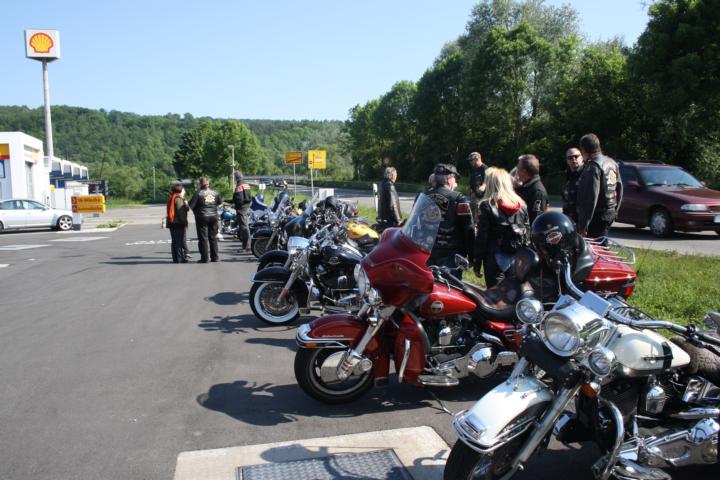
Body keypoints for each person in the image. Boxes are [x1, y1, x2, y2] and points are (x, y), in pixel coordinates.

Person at [474, 168, 529, 286]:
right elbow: (527, 234)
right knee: (514, 292)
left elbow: (482, 237)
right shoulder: (521, 205)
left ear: (490, 184)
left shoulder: (486, 205)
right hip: (516, 256)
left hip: (494, 256)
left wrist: (477, 263)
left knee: (494, 294)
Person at [426, 163, 474, 277]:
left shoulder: (423, 196)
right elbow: (468, 228)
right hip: (451, 254)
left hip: (426, 251)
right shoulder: (459, 198)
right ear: (449, 179)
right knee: (450, 286)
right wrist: (472, 255)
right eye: (454, 178)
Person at [576, 133, 623, 239]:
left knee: (595, 246)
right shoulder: (612, 162)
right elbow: (619, 188)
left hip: (597, 216)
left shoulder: (593, 167)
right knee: (602, 242)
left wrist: (584, 223)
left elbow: (591, 197)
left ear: (584, 150)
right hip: (609, 212)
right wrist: (616, 210)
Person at [189, 176, 221, 263]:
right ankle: (215, 257)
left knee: (203, 238)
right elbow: (219, 203)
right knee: (213, 237)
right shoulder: (215, 193)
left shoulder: (198, 193)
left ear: (200, 183)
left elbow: (191, 206)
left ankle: (205, 258)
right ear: (208, 183)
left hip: (202, 217)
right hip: (214, 217)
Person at [514, 154, 548, 224]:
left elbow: (536, 220)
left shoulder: (537, 192)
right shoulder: (525, 187)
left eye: (518, 168)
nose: (516, 172)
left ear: (524, 172)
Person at [166, 181, 190, 263]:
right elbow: (181, 212)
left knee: (174, 241)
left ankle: (175, 258)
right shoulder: (178, 198)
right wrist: (185, 222)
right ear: (181, 190)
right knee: (179, 241)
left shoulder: (171, 197)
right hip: (178, 222)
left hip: (171, 222)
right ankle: (180, 258)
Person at [562, 147, 584, 223]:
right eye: (570, 158)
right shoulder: (568, 175)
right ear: (567, 161)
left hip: (582, 218)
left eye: (576, 156)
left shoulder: (587, 173)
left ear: (582, 157)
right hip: (569, 217)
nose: (573, 159)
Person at [232, 171, 252, 250]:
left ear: (236, 177)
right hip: (246, 206)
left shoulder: (239, 185)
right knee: (245, 226)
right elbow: (249, 196)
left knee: (244, 227)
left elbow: (238, 198)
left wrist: (235, 205)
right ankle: (246, 245)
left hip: (241, 208)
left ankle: (246, 246)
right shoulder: (246, 184)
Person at [467, 152, 488, 223]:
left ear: (477, 159)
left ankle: (478, 226)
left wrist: (483, 186)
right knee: (472, 212)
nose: (470, 162)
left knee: (479, 213)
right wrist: (469, 187)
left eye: (471, 160)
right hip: (473, 195)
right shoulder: (474, 169)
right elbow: (473, 180)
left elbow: (487, 181)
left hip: (481, 196)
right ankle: (474, 225)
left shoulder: (485, 168)